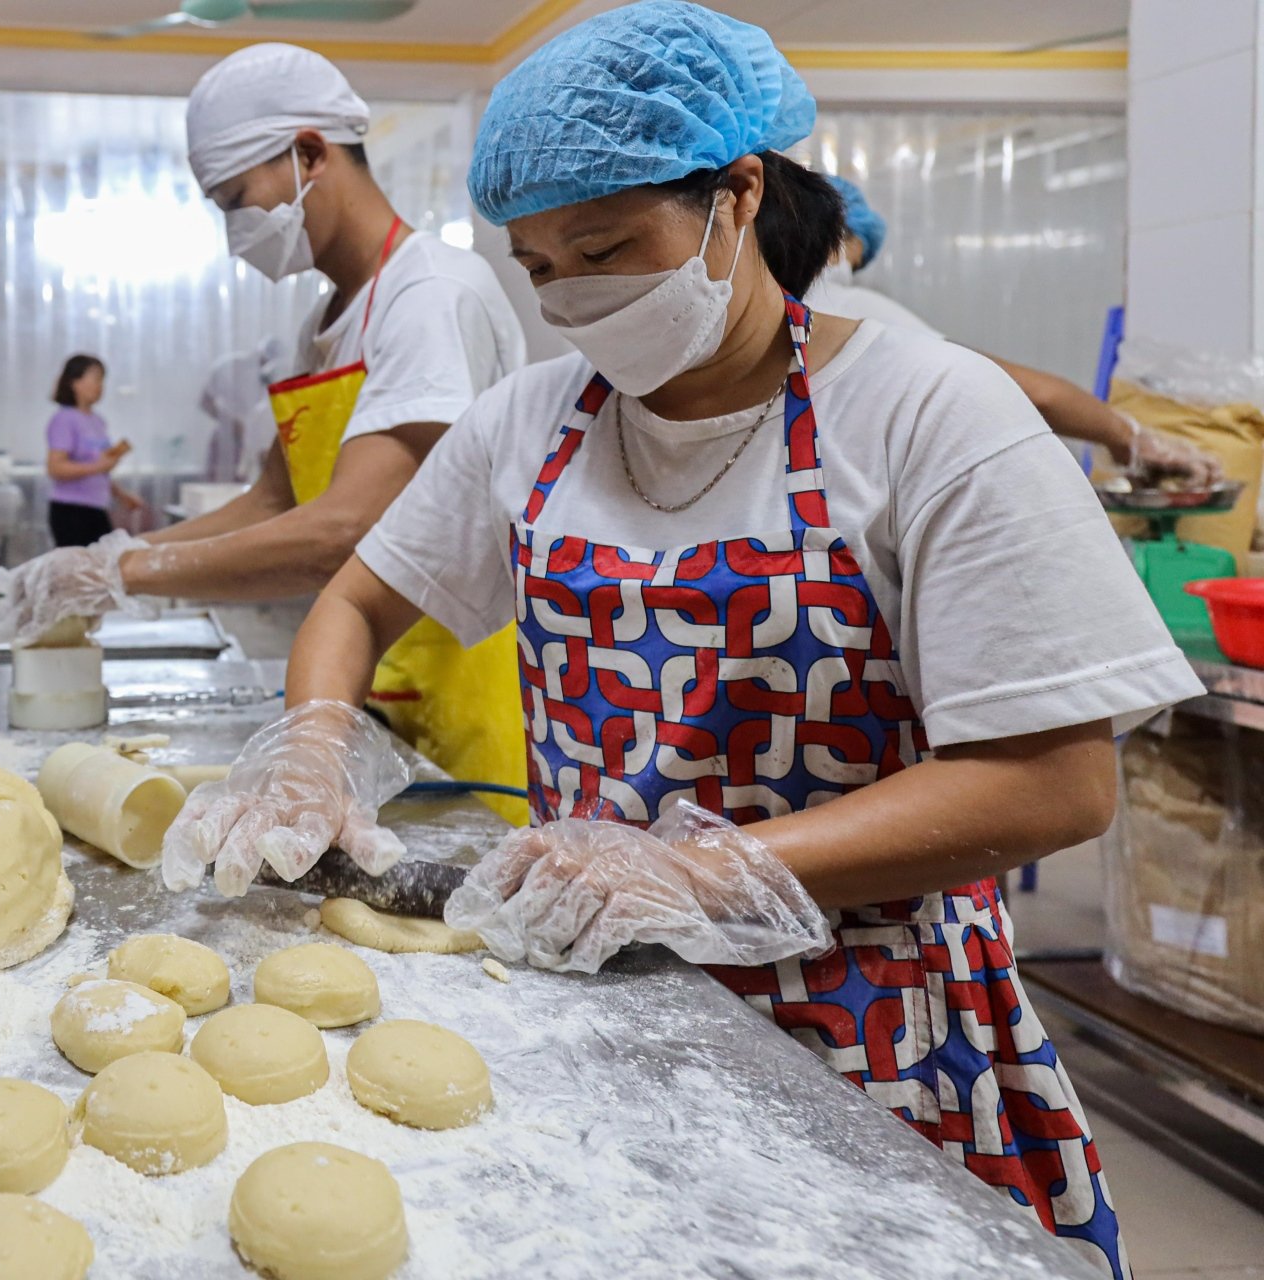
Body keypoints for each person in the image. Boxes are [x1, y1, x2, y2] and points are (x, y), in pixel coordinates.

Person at [160, 6, 1204, 1276]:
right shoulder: (528, 421)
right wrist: (313, 743)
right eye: (539, 268)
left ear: (739, 194)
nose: (573, 298)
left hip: (872, 1031)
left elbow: (1056, 779)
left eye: (604, 248)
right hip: (591, 997)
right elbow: (357, 599)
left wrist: (703, 872)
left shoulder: (929, 414)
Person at [0, 44, 532, 823]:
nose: (236, 231)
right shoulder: (330, 318)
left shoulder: (431, 298)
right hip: (372, 693)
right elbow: (275, 501)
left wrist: (129, 578)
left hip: (459, 711)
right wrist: (108, 556)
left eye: (238, 199)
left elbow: (346, 530)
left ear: (309, 152)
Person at [807, 174, 1222, 486]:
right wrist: (1128, 437)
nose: (855, 266)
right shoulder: (847, 306)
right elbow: (1025, 390)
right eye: (857, 249)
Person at [43, 354, 143, 548]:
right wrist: (98, 466)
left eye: (102, 380)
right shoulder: (64, 419)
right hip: (70, 510)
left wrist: (122, 496)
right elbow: (55, 468)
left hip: (97, 507)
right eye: (95, 378)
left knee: (104, 565)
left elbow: (100, 471)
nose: (100, 386)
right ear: (75, 381)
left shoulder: (98, 421)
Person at [199, 337, 283, 483]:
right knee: (217, 490)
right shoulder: (231, 366)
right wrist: (231, 424)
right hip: (227, 438)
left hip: (256, 440)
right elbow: (205, 401)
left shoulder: (275, 374)